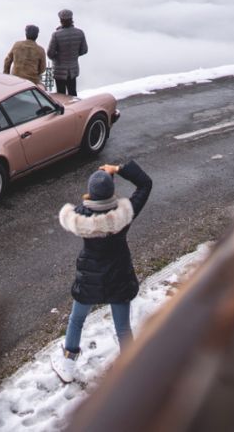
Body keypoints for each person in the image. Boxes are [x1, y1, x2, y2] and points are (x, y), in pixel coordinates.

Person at [51, 160, 153, 383]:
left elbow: (87, 206)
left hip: (90, 279)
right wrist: (116, 170)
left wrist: (100, 189)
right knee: (123, 328)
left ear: (90, 194)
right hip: (119, 276)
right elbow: (145, 184)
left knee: (76, 320)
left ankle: (68, 362)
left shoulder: (81, 217)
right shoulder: (124, 215)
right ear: (112, 192)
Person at [47, 8, 87, 96]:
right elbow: (84, 50)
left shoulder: (56, 35)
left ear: (61, 20)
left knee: (61, 95)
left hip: (59, 70)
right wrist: (74, 54)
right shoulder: (80, 33)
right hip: (73, 69)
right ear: (71, 19)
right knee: (73, 93)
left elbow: (50, 53)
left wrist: (58, 57)